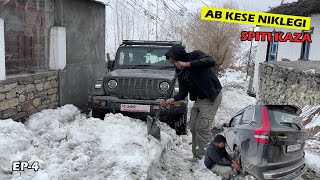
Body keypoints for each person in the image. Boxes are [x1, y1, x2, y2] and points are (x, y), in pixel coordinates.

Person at [161, 44, 222, 161]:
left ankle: (204, 160)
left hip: (211, 96)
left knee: (202, 128)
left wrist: (186, 64)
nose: (173, 64)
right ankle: (197, 157)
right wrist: (171, 100)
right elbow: (183, 92)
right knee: (194, 127)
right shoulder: (180, 71)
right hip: (199, 99)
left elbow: (211, 61)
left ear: (178, 56)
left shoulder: (195, 55)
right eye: (172, 63)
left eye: (173, 61)